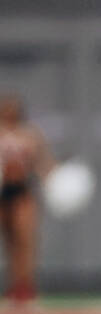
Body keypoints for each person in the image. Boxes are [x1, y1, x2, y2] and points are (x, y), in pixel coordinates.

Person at [0, 94, 54, 302]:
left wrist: (52, 179)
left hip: (22, 191)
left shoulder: (30, 135)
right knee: (8, 240)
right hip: (2, 193)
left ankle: (26, 283)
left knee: (25, 239)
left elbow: (43, 163)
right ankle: (13, 283)